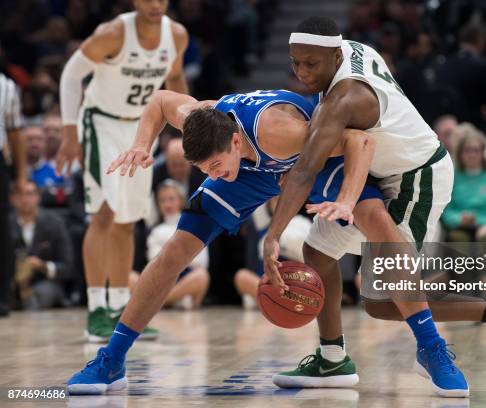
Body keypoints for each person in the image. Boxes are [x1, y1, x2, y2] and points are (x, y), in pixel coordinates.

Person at [262, 17, 486, 396]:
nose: (301, 72)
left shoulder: (346, 98)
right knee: (317, 252)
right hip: (383, 168)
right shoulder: (356, 50)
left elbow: (305, 170)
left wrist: (272, 236)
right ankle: (331, 358)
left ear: (334, 53)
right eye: (296, 62)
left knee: (380, 300)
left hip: (416, 177)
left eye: (311, 64)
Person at [65, 88, 379, 395]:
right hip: (248, 169)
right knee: (174, 252)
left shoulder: (278, 130)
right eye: (204, 170)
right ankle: (111, 359)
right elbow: (160, 100)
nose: (212, 176)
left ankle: (425, 343)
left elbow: (359, 140)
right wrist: (142, 143)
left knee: (378, 223)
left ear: (235, 140)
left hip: (308, 161)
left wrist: (347, 200)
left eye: (214, 166)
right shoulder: (198, 119)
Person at [55, 0, 189, 342]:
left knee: (127, 220)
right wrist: (70, 133)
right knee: (102, 214)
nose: (155, 4)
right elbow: (72, 75)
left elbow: (174, 78)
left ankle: (119, 308)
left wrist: (191, 126)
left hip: (143, 130)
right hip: (101, 124)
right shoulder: (113, 33)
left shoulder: (176, 35)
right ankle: (96, 309)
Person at [129, 179, 209, 309]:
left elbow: (201, 262)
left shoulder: (194, 226)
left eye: (171, 199)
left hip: (184, 278)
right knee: (130, 277)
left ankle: (156, 302)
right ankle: (174, 300)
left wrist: (170, 253)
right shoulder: (155, 230)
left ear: (181, 200)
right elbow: (153, 257)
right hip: (158, 279)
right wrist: (183, 253)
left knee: (202, 276)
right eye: (163, 200)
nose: (167, 204)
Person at [9, 181, 74, 309]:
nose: (25, 199)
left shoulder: (55, 223)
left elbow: (68, 266)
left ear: (38, 196)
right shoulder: (5, 224)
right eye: (20, 194)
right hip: (11, 283)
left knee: (39, 296)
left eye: (29, 194)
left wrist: (42, 266)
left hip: (43, 281)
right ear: (11, 198)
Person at [0, 65, 28, 317]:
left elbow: (16, 133)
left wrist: (21, 175)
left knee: (2, 229)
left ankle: (2, 297)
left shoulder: (6, 85)